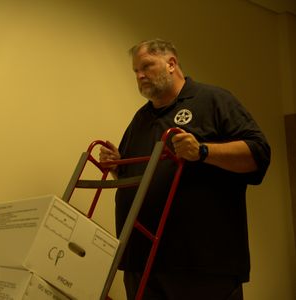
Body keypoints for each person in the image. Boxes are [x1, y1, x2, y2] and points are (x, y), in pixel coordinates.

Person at [99, 39, 271, 300]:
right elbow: (141, 180)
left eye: (146, 66)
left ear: (171, 64)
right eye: (135, 71)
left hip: (201, 265)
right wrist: (116, 167)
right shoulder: (141, 119)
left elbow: (258, 153)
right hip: (142, 262)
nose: (140, 75)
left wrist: (203, 151)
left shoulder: (213, 100)